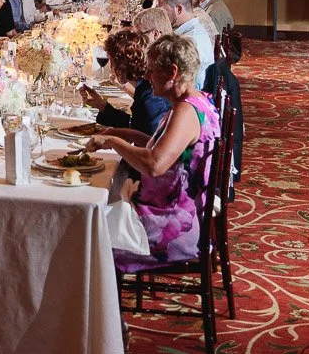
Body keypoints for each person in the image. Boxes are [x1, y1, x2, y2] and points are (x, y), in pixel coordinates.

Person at [88, 35, 220, 266]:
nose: (147, 77)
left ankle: (98, 299)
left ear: (172, 72)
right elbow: (162, 147)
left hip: (170, 227)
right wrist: (119, 133)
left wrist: (113, 142)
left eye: (152, 71)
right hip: (173, 210)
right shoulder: (198, 102)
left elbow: (154, 164)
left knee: (85, 233)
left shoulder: (186, 112)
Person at [80, 27, 170, 138]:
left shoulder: (151, 93)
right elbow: (136, 125)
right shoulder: (144, 87)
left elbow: (150, 141)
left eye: (111, 61)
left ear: (120, 64)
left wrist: (112, 139)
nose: (111, 67)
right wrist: (102, 106)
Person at [154, 0, 214, 88]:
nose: (159, 16)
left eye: (162, 11)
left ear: (179, 9)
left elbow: (188, 88)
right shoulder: (192, 29)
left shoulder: (190, 40)